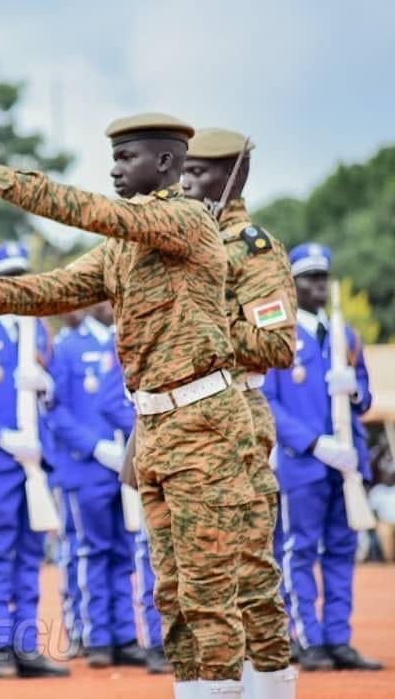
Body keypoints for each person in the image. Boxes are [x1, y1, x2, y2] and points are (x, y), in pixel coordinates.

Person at [0, 113, 260, 698]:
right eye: (115, 159)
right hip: (156, 424)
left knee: (209, 591)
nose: (115, 169)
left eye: (127, 158)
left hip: (202, 423)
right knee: (172, 593)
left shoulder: (184, 218)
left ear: (166, 163)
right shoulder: (125, 246)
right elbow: (57, 289)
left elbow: (87, 210)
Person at [182, 128, 298, 696]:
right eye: (182, 171)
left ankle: (271, 688)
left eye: (199, 172)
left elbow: (277, 346)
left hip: (239, 421)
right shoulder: (183, 241)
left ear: (233, 176)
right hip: (180, 424)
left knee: (249, 575)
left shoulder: (252, 249)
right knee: (193, 582)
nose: (185, 183)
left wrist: (206, 326)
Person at [263, 243, 382, 672]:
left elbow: (365, 398)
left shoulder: (344, 334)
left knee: (340, 552)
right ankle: (307, 639)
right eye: (308, 278)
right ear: (291, 284)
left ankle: (338, 638)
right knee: (300, 551)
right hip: (304, 462)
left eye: (322, 277)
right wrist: (314, 443)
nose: (317, 285)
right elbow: (267, 402)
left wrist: (354, 389)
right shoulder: (276, 331)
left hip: (346, 463)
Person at [0, 242, 67, 679]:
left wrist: (46, 388)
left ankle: (27, 645)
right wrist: (2, 437)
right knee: (0, 549)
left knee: (31, 552)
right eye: (9, 278)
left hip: (36, 460)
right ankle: (1, 644)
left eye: (21, 276)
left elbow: (55, 394)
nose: (17, 284)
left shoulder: (36, 330)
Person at [49, 304, 152, 670]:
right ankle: (97, 637)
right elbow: (56, 412)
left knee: (125, 552)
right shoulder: (67, 347)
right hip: (87, 467)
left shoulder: (127, 339)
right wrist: (95, 447)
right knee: (92, 552)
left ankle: (124, 635)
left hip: (126, 465)